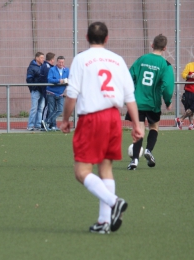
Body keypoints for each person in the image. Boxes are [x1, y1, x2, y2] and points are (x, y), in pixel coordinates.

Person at [61, 22, 143, 234]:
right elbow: (129, 97)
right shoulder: (117, 60)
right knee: (105, 168)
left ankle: (114, 202)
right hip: (113, 118)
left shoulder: (81, 59)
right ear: (107, 39)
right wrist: (136, 124)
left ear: (87, 37)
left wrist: (65, 119)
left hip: (92, 119)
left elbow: (72, 94)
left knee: (81, 172)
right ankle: (104, 222)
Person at [125, 34, 174, 170]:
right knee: (153, 128)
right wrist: (168, 101)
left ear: (152, 45)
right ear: (164, 48)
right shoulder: (166, 65)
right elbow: (168, 87)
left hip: (137, 102)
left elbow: (129, 76)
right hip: (153, 103)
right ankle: (148, 150)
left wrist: (130, 94)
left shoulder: (141, 59)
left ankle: (134, 160)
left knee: (139, 130)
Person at [42, 56, 69, 131]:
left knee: (60, 109)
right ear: (57, 62)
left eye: (62, 62)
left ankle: (46, 121)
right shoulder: (52, 69)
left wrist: (68, 82)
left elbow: (70, 79)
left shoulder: (66, 70)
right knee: (51, 110)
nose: (61, 64)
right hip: (51, 92)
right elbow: (49, 79)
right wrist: (58, 80)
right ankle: (53, 125)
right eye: (59, 62)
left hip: (60, 93)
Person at [175, 53, 194, 130]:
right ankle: (191, 124)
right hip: (189, 90)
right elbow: (183, 75)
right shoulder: (189, 65)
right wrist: (190, 76)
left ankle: (180, 119)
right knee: (189, 107)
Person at [26, 52, 45, 131]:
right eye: (41, 58)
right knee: (34, 108)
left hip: (42, 90)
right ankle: (30, 125)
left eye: (43, 58)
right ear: (37, 58)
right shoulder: (31, 67)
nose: (43, 59)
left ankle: (38, 125)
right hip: (36, 90)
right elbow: (29, 79)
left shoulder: (44, 66)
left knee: (40, 108)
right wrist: (34, 87)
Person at [39, 52, 55, 131]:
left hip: (47, 89)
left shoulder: (47, 66)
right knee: (47, 106)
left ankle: (49, 123)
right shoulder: (47, 67)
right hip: (47, 89)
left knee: (50, 107)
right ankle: (43, 123)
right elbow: (48, 79)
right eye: (53, 59)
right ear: (52, 59)